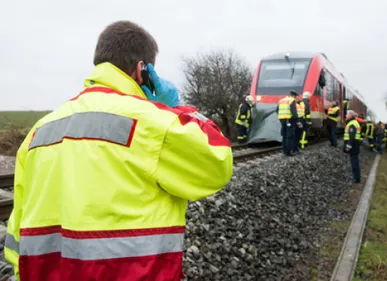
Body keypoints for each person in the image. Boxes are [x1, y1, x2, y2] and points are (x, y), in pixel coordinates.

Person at [4, 21, 233, 281]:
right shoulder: (154, 123)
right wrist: (178, 107)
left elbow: (16, 234)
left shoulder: (39, 132)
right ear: (142, 70)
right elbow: (218, 163)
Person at [277, 90, 300, 156]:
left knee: (284, 135)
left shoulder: (281, 100)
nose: (296, 98)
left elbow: (277, 110)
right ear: (294, 96)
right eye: (295, 96)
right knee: (289, 136)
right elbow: (294, 112)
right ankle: (288, 152)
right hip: (289, 120)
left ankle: (284, 150)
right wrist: (297, 120)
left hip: (282, 120)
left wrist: (281, 116)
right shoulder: (292, 100)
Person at [343, 110, 362, 183]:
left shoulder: (352, 124)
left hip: (353, 146)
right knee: (355, 161)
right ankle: (356, 177)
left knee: (354, 162)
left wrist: (348, 146)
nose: (346, 115)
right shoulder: (354, 123)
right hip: (355, 145)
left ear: (351, 115)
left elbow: (352, 136)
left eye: (347, 114)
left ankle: (356, 179)